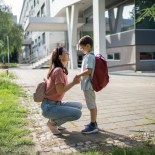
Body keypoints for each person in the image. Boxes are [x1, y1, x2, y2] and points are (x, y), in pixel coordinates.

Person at [41, 47, 82, 135]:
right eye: (66, 52)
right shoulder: (58, 70)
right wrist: (74, 83)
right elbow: (60, 91)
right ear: (60, 57)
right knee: (77, 113)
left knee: (79, 105)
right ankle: (52, 123)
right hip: (49, 107)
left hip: (55, 104)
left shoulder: (60, 69)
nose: (68, 54)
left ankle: (57, 121)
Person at [76, 35, 98, 134]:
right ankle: (94, 123)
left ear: (88, 46)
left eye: (82, 47)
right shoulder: (89, 56)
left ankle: (93, 125)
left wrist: (78, 75)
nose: (81, 49)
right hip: (88, 85)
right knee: (92, 104)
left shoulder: (89, 57)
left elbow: (89, 71)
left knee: (91, 105)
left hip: (88, 85)